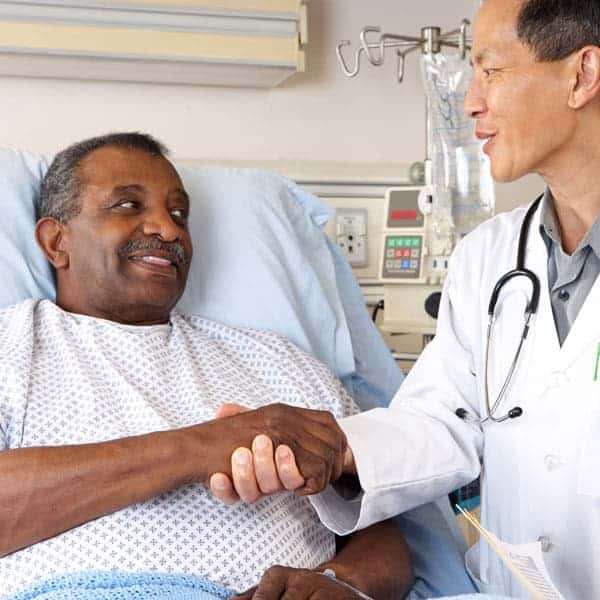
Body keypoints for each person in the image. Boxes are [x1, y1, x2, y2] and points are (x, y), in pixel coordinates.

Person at [209, 0, 600, 597]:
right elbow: (442, 422)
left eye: (491, 71)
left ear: (582, 75)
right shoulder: (488, 259)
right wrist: (334, 446)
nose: (471, 102)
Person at [0, 132, 414, 599]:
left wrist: (342, 584)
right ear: (56, 242)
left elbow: (384, 532)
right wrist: (205, 446)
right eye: (128, 206)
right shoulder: (11, 348)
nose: (168, 228)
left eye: (179, 214)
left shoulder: (284, 365)